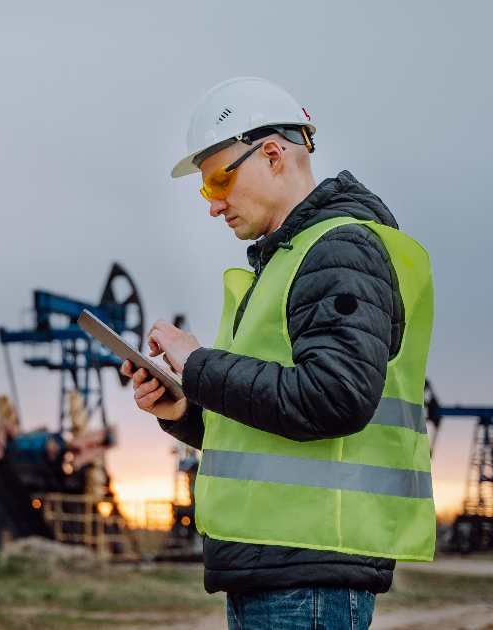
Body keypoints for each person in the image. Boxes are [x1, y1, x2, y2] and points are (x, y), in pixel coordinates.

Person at [125, 77, 435, 629]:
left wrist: (198, 365)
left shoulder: (340, 250)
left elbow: (333, 399)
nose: (214, 204)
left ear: (272, 154)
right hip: (279, 569)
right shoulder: (288, 262)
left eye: (220, 179)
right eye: (204, 191)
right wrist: (182, 409)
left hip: (306, 575)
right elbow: (268, 430)